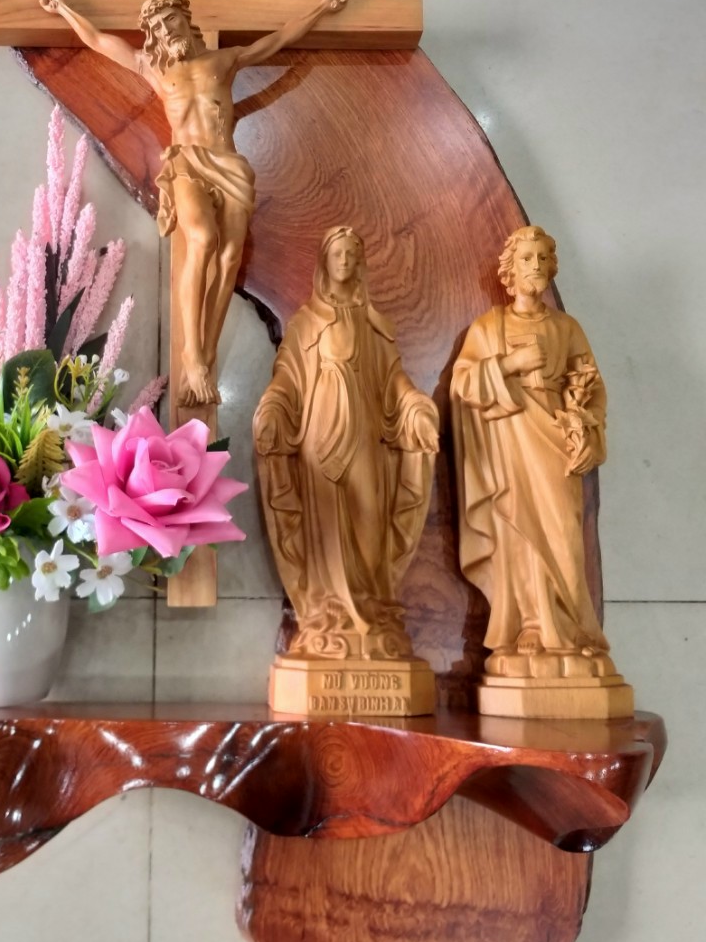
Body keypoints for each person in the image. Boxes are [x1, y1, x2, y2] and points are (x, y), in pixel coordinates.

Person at [39, 0, 347, 405]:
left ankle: (206, 354)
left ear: (187, 20)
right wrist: (62, 8)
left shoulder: (224, 60)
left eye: (172, 20)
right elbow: (96, 39)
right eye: (158, 28)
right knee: (202, 239)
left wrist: (322, 8)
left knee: (230, 257)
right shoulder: (152, 67)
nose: (167, 31)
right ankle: (192, 354)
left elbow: (278, 40)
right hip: (186, 163)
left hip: (229, 164)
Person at [253, 226, 439, 660]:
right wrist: (273, 408)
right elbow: (287, 379)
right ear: (325, 261)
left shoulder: (373, 325)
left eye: (353, 255)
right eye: (338, 254)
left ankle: (371, 606)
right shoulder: (305, 324)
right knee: (326, 527)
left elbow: (394, 380)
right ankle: (327, 612)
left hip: (365, 437)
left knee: (370, 518)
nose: (345, 261)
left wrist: (414, 405)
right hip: (319, 437)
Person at [450, 224, 612, 675]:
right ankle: (531, 628)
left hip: (554, 441)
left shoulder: (566, 328)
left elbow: (593, 387)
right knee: (519, 535)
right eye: (526, 259)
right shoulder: (489, 327)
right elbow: (463, 384)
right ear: (510, 270)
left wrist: (587, 427)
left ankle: (573, 630)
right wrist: (509, 364)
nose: (535, 266)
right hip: (510, 445)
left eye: (542, 258)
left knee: (564, 533)